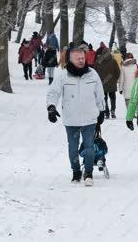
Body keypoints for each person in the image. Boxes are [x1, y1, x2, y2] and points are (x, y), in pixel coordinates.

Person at [46, 48, 105, 186]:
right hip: (71, 119)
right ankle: (76, 171)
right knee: (73, 148)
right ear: (70, 59)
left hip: (89, 118)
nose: (81, 60)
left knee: (89, 147)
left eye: (82, 58)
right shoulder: (63, 75)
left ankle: (89, 173)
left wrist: (102, 110)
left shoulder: (92, 74)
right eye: (77, 58)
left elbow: (99, 94)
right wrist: (51, 107)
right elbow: (53, 92)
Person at [93, 45, 121, 119]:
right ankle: (113, 111)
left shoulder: (98, 61)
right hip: (112, 83)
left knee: (104, 98)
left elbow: (94, 72)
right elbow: (118, 72)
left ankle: (106, 112)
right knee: (112, 98)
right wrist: (115, 79)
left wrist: (97, 81)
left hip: (102, 84)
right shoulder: (113, 61)